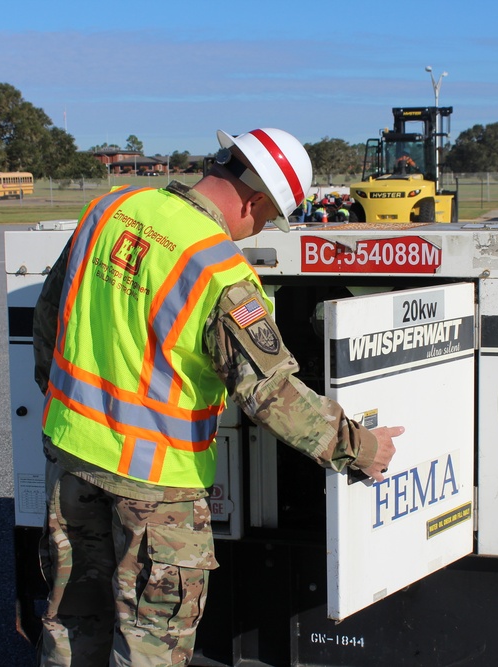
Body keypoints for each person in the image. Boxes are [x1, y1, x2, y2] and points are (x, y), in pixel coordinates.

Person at [32, 127, 402, 667]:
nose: (260, 230)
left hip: (71, 460)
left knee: (71, 621)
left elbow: (50, 313)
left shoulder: (111, 208)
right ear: (254, 199)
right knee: (149, 644)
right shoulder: (219, 270)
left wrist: (61, 398)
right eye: (270, 217)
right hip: (159, 486)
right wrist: (360, 447)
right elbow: (271, 394)